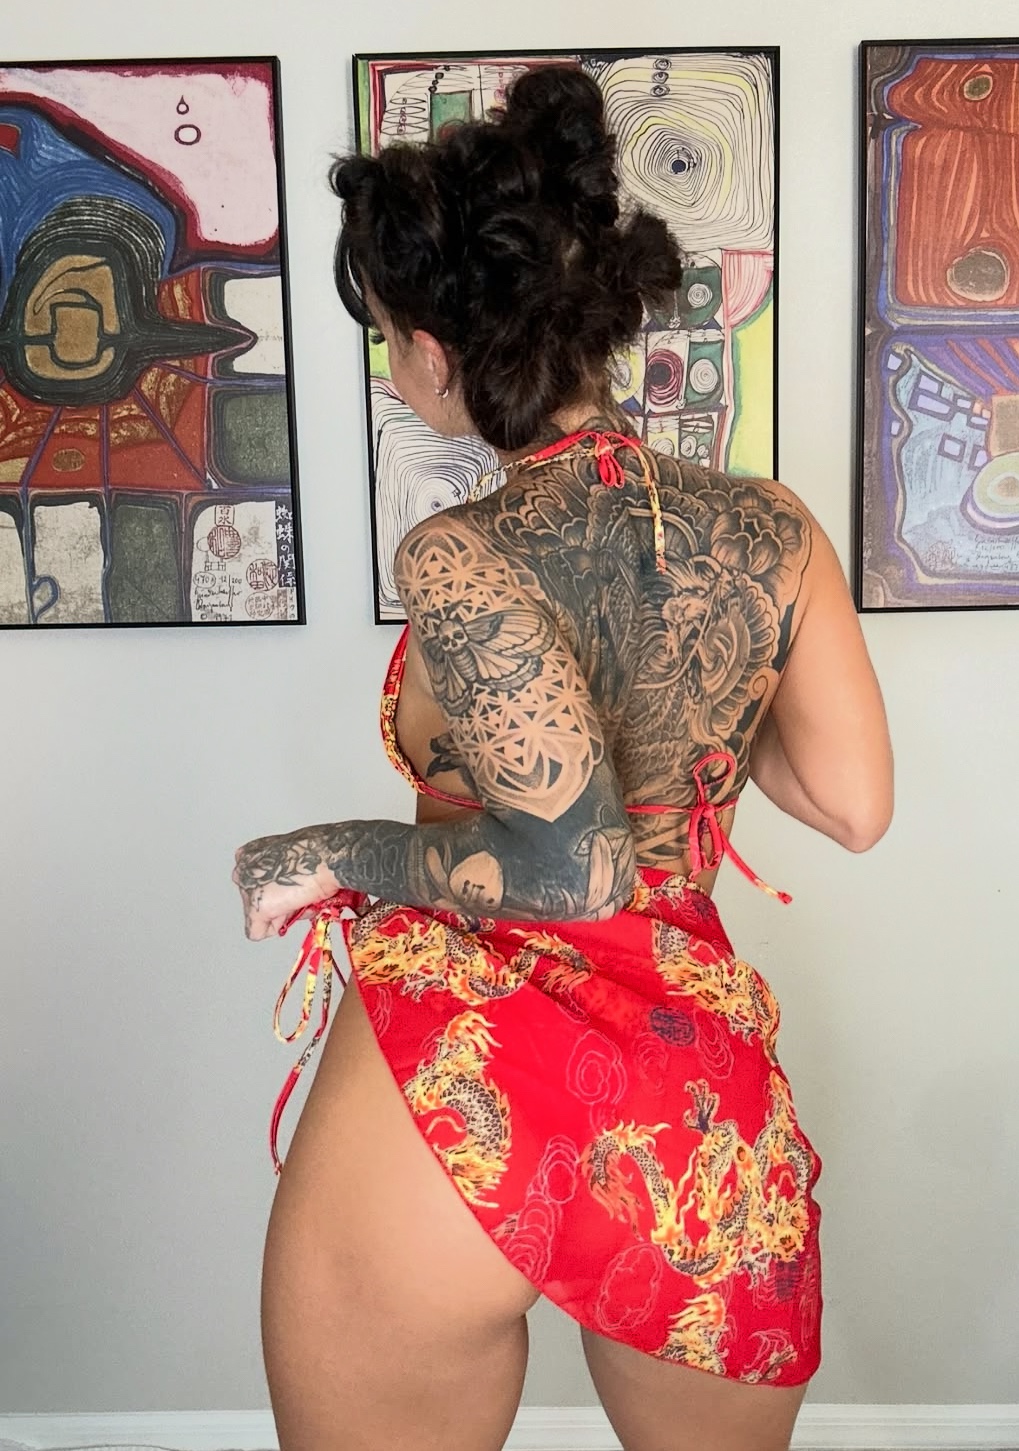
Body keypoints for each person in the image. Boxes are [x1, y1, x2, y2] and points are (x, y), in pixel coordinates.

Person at [232, 66, 893, 1451]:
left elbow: (573, 866)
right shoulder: (772, 530)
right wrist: (711, 698)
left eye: (389, 340)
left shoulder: (457, 553)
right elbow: (851, 803)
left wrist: (320, 852)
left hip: (455, 1086)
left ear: (432, 351)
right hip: (684, 1107)